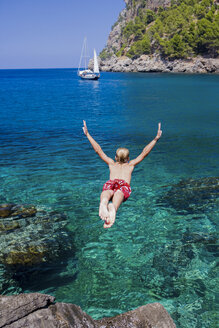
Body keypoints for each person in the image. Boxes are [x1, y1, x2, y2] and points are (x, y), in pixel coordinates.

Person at [82, 120, 162, 229]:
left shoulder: (111, 163)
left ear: (115, 157)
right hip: (123, 185)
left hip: (111, 183)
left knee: (107, 192)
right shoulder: (131, 165)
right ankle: (113, 208)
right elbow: (145, 152)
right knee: (119, 194)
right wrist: (156, 138)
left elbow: (98, 150)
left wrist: (88, 135)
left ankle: (104, 202)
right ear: (128, 158)